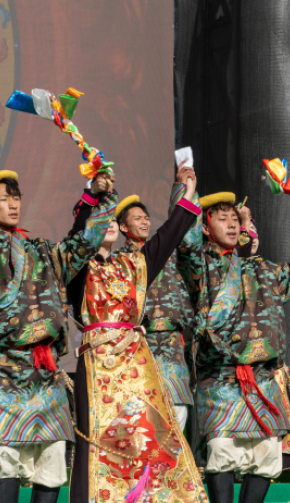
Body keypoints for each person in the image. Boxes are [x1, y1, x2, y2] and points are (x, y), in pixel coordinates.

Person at [0, 158, 115, 503]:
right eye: (3, 198)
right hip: (3, 373)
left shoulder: (42, 251)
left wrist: (103, 196)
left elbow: (85, 243)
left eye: (16, 198)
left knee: (53, 459)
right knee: (6, 458)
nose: (13, 204)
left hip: (46, 376)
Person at [67, 166, 208, 503]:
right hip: (98, 365)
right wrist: (92, 195)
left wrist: (187, 193)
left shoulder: (133, 264)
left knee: (146, 439)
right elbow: (76, 235)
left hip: (136, 363)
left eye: (111, 218)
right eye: (101, 218)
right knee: (99, 440)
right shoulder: (78, 268)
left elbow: (167, 237)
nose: (108, 222)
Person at [178, 192, 290, 503]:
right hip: (221, 379)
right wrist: (186, 195)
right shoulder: (200, 266)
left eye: (235, 219)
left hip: (262, 378)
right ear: (205, 226)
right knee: (222, 450)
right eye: (222, 219)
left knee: (265, 455)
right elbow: (185, 246)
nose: (231, 224)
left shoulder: (260, 269)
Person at [114, 174, 199, 434]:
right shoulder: (118, 262)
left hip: (173, 350)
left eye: (146, 217)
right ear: (123, 227)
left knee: (176, 425)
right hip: (139, 346)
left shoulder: (169, 255)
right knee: (142, 429)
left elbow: (180, 232)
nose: (144, 221)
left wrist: (183, 190)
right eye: (137, 218)